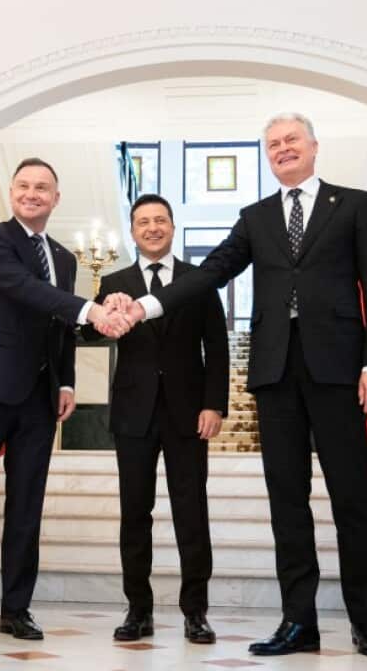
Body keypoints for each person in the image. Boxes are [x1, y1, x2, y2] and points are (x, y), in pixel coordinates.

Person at [118, 113, 367, 658]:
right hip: (273, 374)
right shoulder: (256, 216)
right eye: (273, 145)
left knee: (350, 499)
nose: (283, 149)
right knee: (286, 502)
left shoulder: (354, 204)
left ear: (314, 146)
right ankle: (300, 623)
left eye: (292, 140)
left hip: (340, 371)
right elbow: (211, 271)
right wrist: (151, 304)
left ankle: (366, 622)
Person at [0, 158, 128, 642]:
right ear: (12, 193)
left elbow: (57, 325)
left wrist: (65, 382)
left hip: (38, 398)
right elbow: (26, 292)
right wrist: (91, 309)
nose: (33, 193)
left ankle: (16, 610)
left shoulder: (64, 257)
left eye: (43, 188)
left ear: (56, 198)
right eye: (24, 186)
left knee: (27, 508)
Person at [84, 194, 229, 645]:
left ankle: (196, 613)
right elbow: (89, 331)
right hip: (133, 413)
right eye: (143, 221)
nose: (152, 227)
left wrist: (215, 404)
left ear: (171, 225)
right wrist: (105, 315)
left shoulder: (198, 279)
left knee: (191, 512)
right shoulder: (114, 280)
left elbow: (217, 347)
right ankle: (138, 610)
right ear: (132, 231)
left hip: (188, 413)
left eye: (159, 220)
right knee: (134, 513)